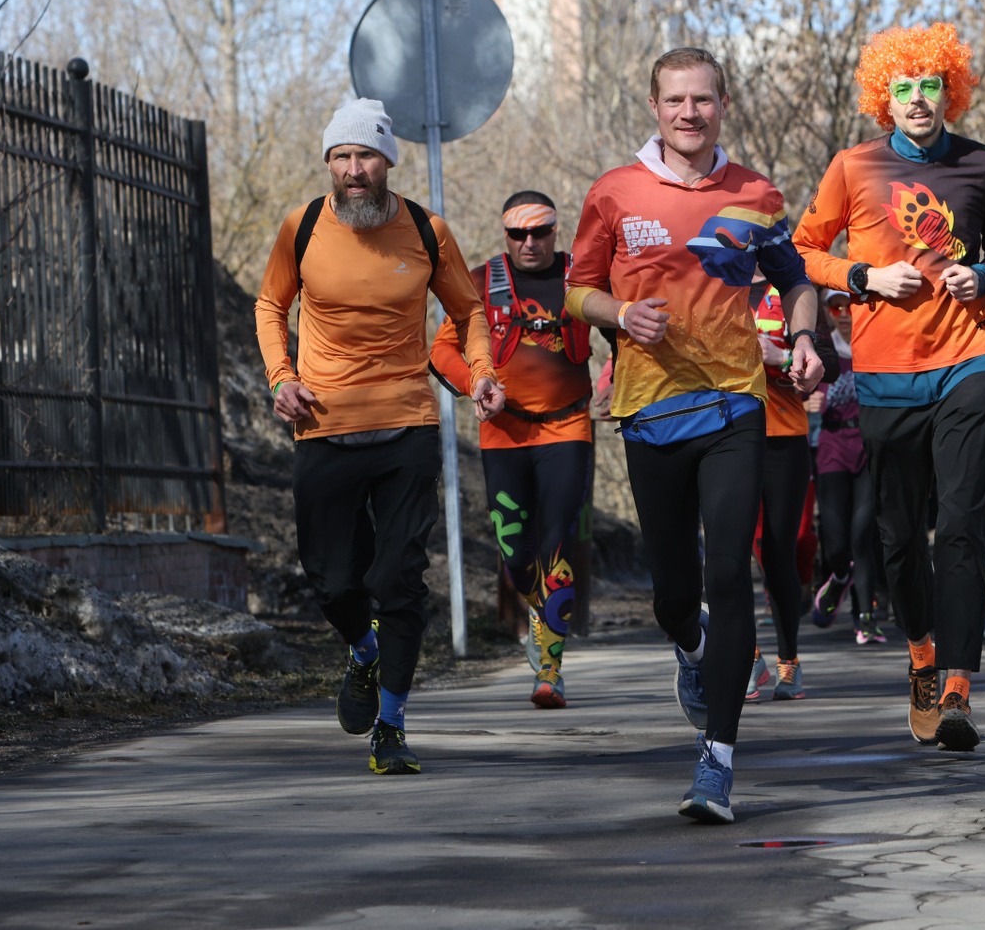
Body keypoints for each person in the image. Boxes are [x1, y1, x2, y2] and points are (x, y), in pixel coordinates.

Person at [565, 46, 820, 824]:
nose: (689, 112)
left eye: (702, 99)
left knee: (728, 572)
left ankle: (718, 761)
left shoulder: (754, 193)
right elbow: (578, 291)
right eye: (675, 100)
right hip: (650, 410)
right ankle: (693, 645)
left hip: (735, 403)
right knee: (675, 594)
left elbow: (796, 279)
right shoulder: (614, 192)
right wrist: (620, 314)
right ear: (655, 106)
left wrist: (804, 339)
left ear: (723, 105)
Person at [793, 22, 985, 753]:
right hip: (887, 372)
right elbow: (803, 249)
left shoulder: (982, 164)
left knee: (958, 522)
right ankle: (922, 655)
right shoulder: (853, 166)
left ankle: (957, 685)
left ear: (950, 91)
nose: (918, 98)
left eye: (931, 85)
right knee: (897, 535)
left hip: (969, 356)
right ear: (884, 97)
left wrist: (983, 274)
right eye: (904, 87)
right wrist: (863, 276)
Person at [255, 98, 505, 776]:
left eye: (365, 155)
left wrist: (482, 372)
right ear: (329, 163)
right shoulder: (302, 227)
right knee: (333, 582)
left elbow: (469, 310)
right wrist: (281, 376)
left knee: (398, 579)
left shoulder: (425, 230)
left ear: (388, 160)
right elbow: (271, 304)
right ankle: (362, 651)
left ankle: (391, 725)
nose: (353, 169)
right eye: (341, 156)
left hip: (406, 426)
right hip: (323, 424)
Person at [431, 191, 598, 709]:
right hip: (503, 432)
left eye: (540, 232)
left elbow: (622, 327)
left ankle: (550, 671)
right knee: (516, 555)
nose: (530, 242)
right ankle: (539, 609)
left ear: (555, 231)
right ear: (505, 234)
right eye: (518, 234)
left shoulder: (582, 276)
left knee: (556, 545)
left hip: (568, 427)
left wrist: (619, 374)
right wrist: (473, 384)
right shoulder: (481, 282)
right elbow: (441, 348)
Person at [745, 271, 838, 700]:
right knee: (728, 554)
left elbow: (831, 362)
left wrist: (781, 355)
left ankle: (789, 660)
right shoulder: (712, 283)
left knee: (778, 552)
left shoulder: (793, 291)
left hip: (782, 438)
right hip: (723, 439)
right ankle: (747, 657)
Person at [810, 289, 887, 645]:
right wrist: (807, 399)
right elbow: (793, 385)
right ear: (827, 311)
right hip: (831, 447)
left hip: (868, 447)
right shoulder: (820, 350)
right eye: (835, 306)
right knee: (836, 542)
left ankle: (866, 619)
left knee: (861, 535)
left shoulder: (875, 346)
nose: (843, 313)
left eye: (849, 306)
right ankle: (839, 577)